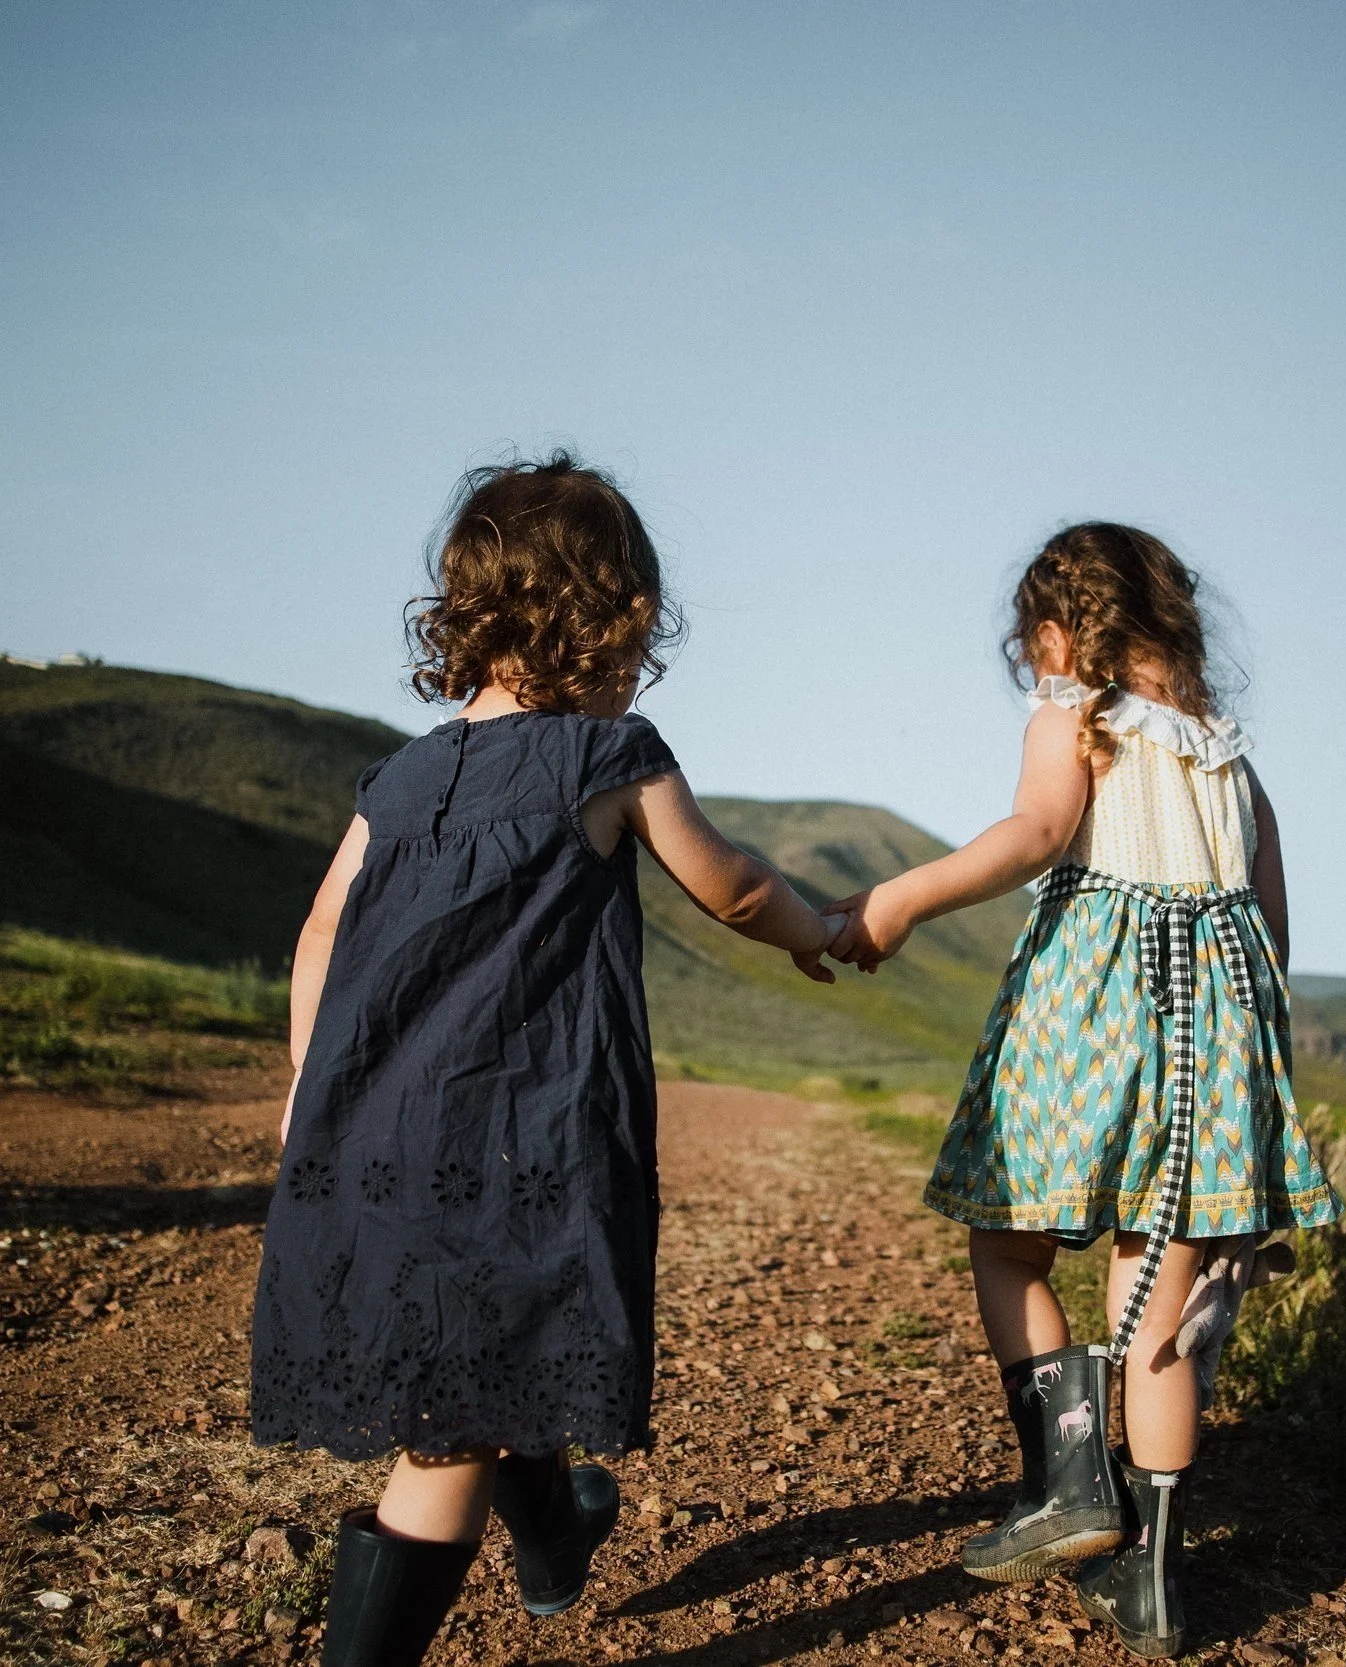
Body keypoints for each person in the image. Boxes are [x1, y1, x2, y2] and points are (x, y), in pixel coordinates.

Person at [251, 453, 843, 1666]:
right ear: (607, 614)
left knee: (476, 1354)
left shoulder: (399, 778)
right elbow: (728, 886)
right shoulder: (607, 755)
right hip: (516, 1133)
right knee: (447, 1429)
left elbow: (318, 932)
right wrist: (822, 928)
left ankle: (559, 1529)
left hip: (367, 1129)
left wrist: (308, 1095)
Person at [826, 522, 1340, 1659]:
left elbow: (1036, 831)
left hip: (1090, 1016)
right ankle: (1151, 1581)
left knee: (1008, 1242)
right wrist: (1248, 1078)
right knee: (1155, 1313)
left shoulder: (1076, 715)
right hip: (1217, 1040)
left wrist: (898, 900)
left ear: (1062, 632)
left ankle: (1067, 1478)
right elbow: (1271, 929)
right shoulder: (1227, 754)